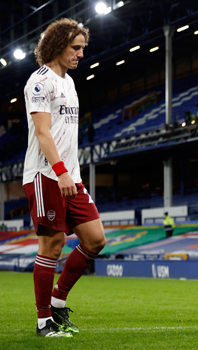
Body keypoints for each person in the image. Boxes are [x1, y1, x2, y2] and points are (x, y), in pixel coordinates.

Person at [23, 18, 105, 337]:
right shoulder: (40, 82)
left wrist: (70, 174)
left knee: (95, 239)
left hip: (72, 177)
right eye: (76, 47)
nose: (81, 53)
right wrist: (60, 173)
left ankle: (58, 302)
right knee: (52, 245)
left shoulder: (69, 83)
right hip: (46, 175)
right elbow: (43, 133)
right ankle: (44, 321)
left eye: (83, 47)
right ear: (57, 46)